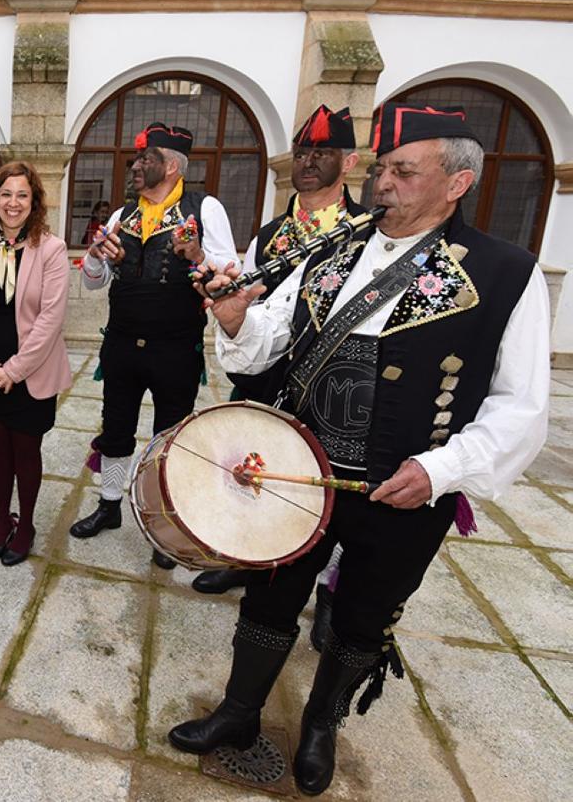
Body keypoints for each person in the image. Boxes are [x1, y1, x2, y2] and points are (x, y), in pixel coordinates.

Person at [169, 103, 549, 797]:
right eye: (382, 170)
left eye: (405, 172)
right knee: (269, 594)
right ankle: (239, 712)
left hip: (404, 489)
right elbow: (269, 341)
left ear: (456, 182)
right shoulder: (331, 249)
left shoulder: (504, 273)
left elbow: (522, 406)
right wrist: (234, 320)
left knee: (363, 616)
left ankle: (320, 725)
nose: (384, 184)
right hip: (300, 474)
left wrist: (443, 469)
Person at [192, 105, 364, 604]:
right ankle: (247, 559)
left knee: (323, 492)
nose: (308, 161)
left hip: (328, 385)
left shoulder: (363, 234)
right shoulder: (270, 234)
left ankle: (330, 589)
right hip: (262, 378)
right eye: (304, 152)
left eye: (323, 153)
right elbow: (248, 298)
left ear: (349, 163)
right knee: (252, 470)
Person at [71, 123, 236, 569]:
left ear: (173, 165)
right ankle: (109, 506)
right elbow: (92, 283)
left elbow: (231, 270)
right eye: (136, 158)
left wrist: (198, 256)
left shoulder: (204, 208)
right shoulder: (122, 215)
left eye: (147, 158)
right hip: (122, 344)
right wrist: (94, 257)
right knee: (116, 428)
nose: (136, 165)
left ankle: (165, 525)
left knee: (169, 438)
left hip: (175, 348)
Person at [0, 161, 72, 567]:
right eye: (6, 194)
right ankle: (2, 521)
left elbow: (51, 319)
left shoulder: (52, 250)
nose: (13, 202)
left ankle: (26, 527)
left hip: (32, 373)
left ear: (34, 201)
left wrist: (14, 370)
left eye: (22, 194)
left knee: (26, 450)